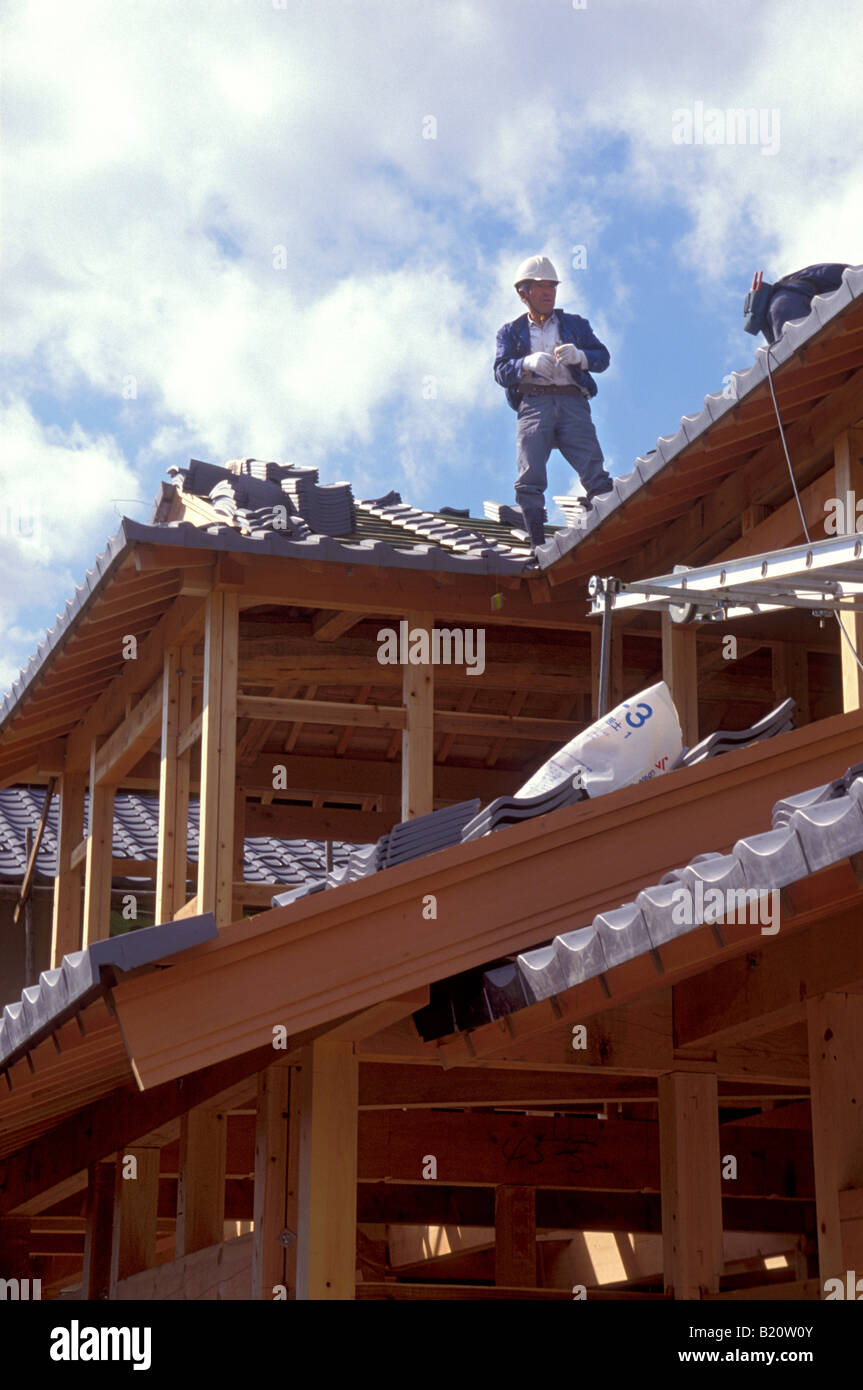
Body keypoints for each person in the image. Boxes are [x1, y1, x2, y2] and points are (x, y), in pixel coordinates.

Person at [494, 255, 613, 552]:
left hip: (573, 402)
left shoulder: (575, 325)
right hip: (534, 404)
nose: (548, 293)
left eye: (552, 287)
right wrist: (525, 363)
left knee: (595, 473)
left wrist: (581, 357)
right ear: (524, 294)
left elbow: (603, 358)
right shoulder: (510, 332)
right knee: (530, 475)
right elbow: (500, 372)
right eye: (540, 287)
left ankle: (612, 531)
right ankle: (537, 545)